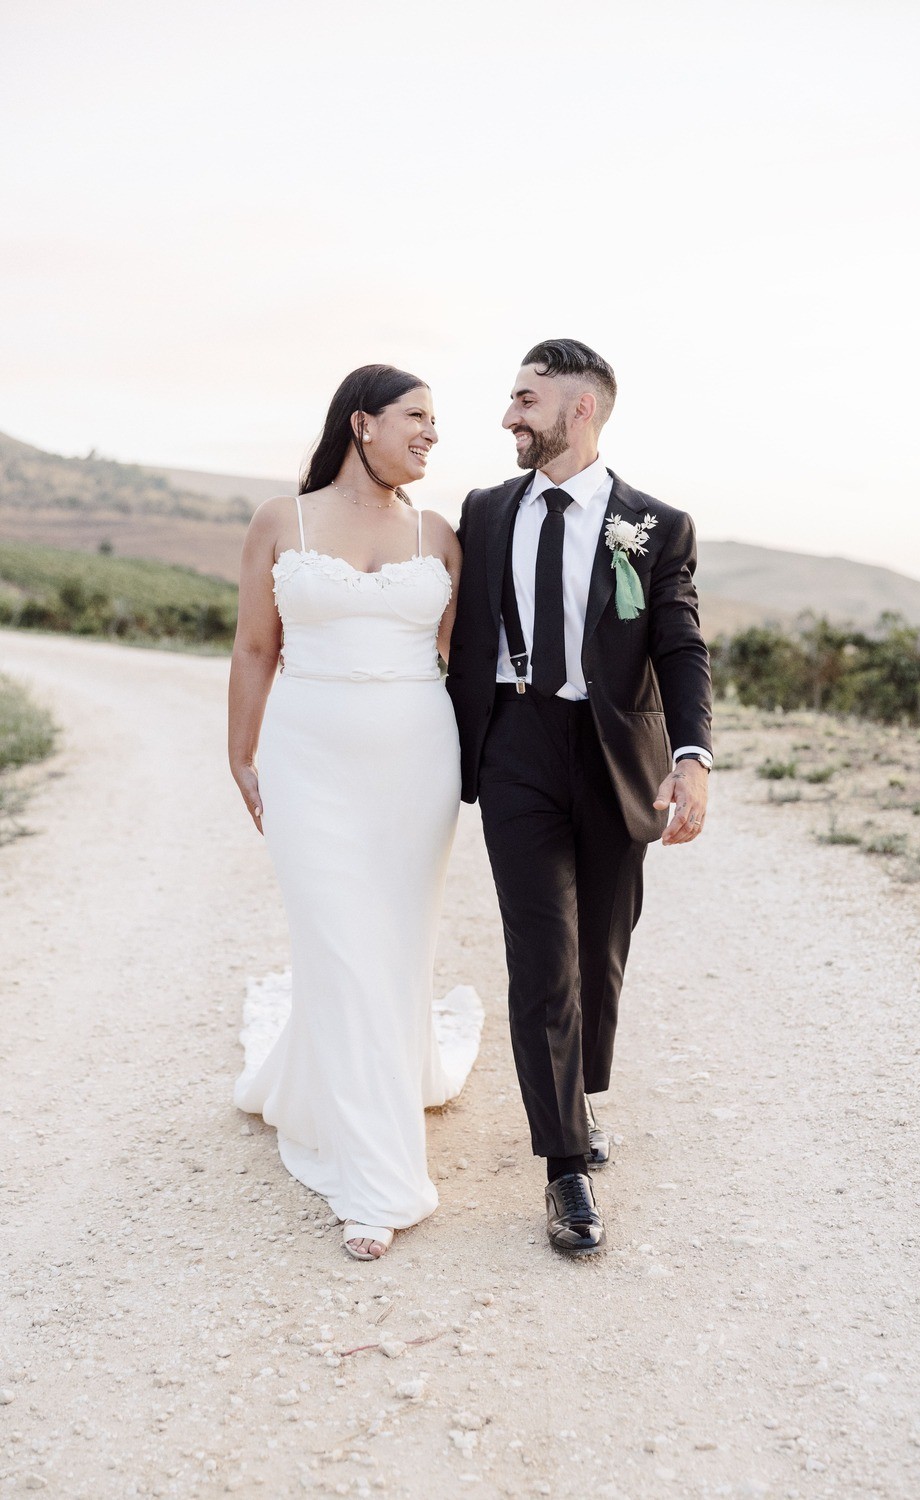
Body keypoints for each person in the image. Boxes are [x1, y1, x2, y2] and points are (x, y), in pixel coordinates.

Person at [446, 339, 713, 1256]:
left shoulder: (655, 525)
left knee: (601, 948)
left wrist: (693, 757)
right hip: (515, 744)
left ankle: (581, 1091)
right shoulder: (484, 512)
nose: (509, 416)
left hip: (614, 755)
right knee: (543, 958)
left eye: (526, 399)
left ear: (581, 408)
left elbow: (679, 644)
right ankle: (564, 1164)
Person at [228, 364, 479, 1261]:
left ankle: (371, 1085)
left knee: (397, 946)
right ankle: (379, 1184)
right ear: (363, 423)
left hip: (417, 764)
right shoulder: (281, 522)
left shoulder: (438, 534)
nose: (432, 433)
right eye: (417, 416)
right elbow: (255, 647)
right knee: (338, 943)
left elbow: (465, 659)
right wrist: (240, 755)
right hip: (309, 762)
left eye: (435, 421)